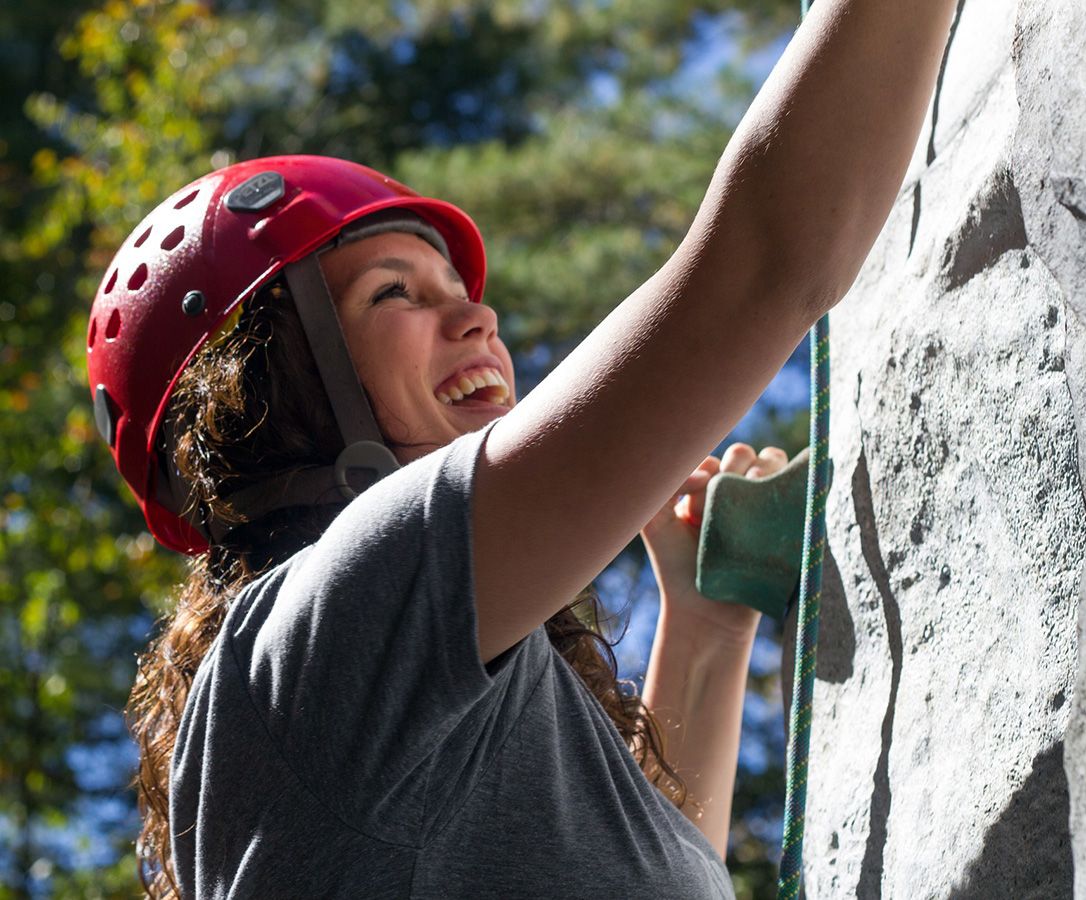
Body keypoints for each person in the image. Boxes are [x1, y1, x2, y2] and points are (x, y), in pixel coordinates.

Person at [89, 1, 960, 897]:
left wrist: (701, 628)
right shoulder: (320, 636)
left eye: (456, 287)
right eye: (395, 293)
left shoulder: (375, 705)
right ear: (272, 388)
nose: (478, 315)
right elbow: (760, 266)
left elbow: (622, 860)